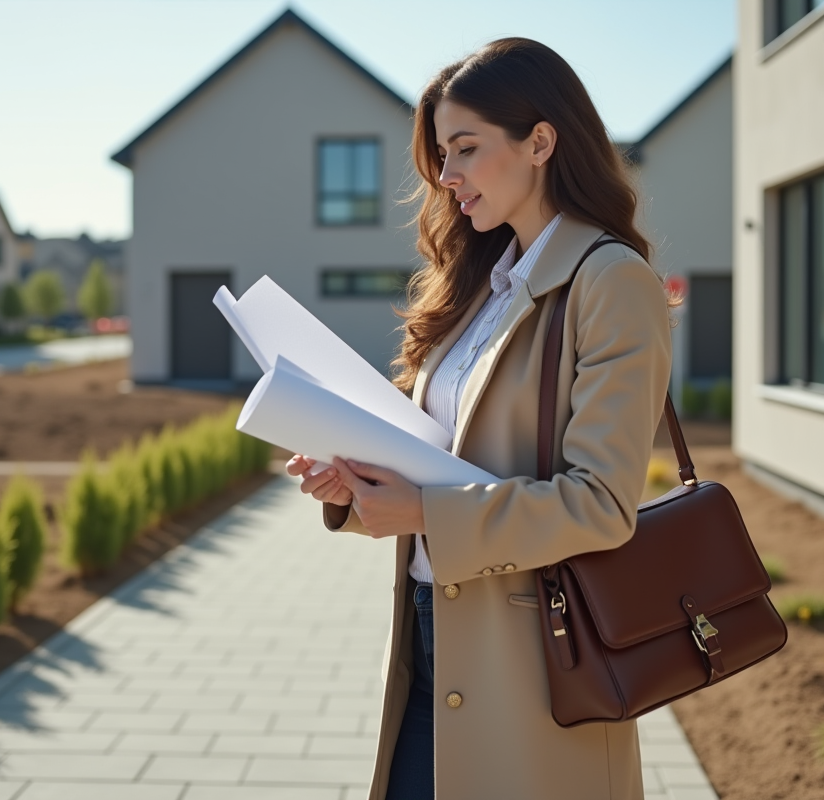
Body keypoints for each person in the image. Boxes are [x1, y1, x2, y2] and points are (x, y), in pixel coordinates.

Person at [286, 37, 675, 800]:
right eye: (440, 153)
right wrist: (360, 487)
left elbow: (600, 504)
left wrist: (424, 508)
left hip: (536, 667)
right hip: (433, 648)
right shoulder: (477, 289)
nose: (447, 175)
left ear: (540, 141)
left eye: (465, 148)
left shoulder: (610, 283)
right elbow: (445, 465)